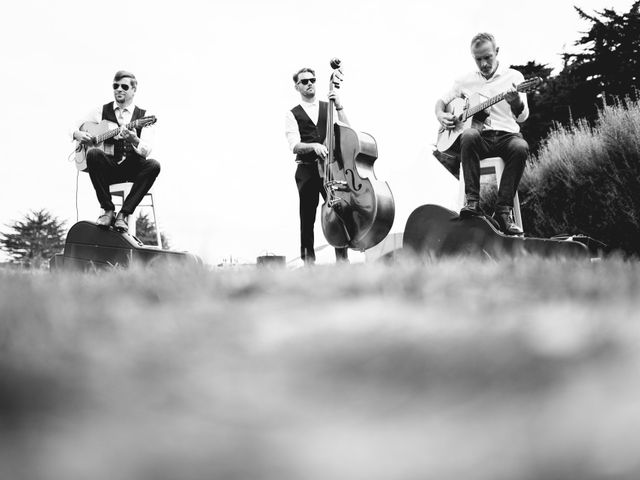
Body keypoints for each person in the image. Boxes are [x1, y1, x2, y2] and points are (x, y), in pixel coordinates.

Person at [435, 32, 529, 235]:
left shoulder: (514, 78)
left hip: (507, 136)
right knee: (468, 134)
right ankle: (472, 204)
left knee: (521, 147)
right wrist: (441, 115)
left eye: (488, 57)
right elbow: (441, 101)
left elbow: (522, 117)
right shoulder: (464, 81)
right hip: (481, 139)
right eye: (478, 59)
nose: (484, 63)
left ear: (497, 52)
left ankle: (503, 212)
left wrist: (516, 102)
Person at [72, 70, 160, 232]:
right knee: (93, 153)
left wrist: (133, 139)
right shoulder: (100, 110)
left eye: (124, 86)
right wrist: (77, 133)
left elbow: (146, 151)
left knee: (153, 165)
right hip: (108, 169)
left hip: (131, 170)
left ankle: (123, 214)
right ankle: (108, 210)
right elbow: (74, 124)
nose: (119, 89)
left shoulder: (144, 116)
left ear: (134, 90)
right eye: (115, 86)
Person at [285, 67, 350, 264]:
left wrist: (339, 106)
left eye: (312, 79)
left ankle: (342, 260)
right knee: (307, 218)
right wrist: (313, 146)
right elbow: (294, 145)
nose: (309, 83)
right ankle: (308, 263)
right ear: (297, 87)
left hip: (331, 169)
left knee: (338, 212)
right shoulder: (292, 114)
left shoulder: (328, 107)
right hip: (307, 170)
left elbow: (347, 130)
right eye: (304, 81)